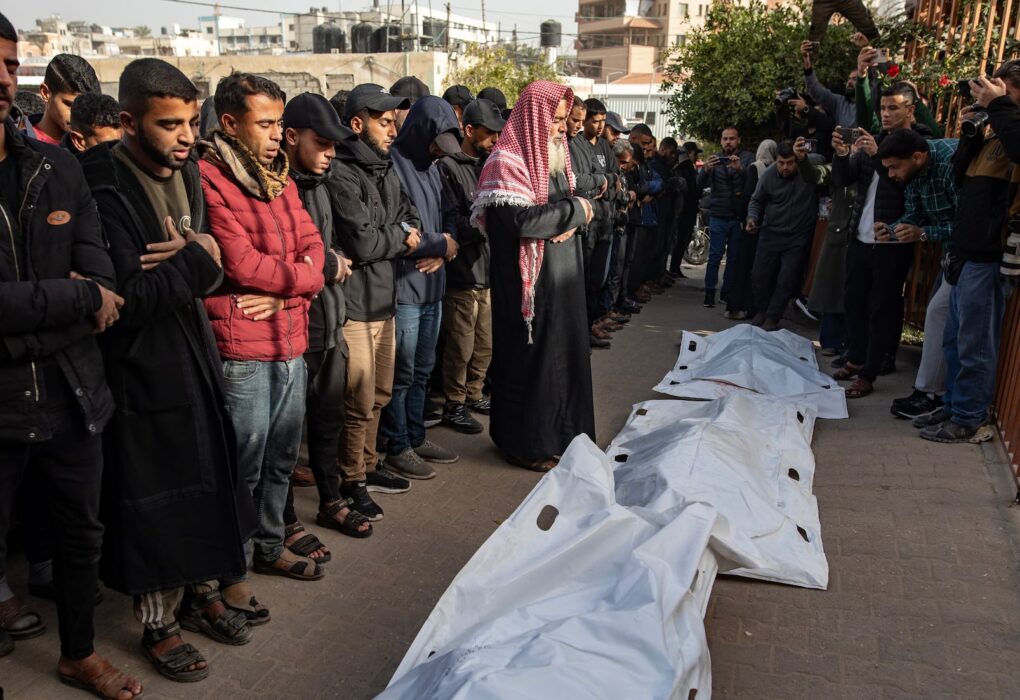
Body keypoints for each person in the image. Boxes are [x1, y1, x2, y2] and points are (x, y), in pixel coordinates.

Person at [80, 57, 257, 681]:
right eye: (169, 124)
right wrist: (198, 258)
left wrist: (197, 258)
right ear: (129, 122)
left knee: (207, 483)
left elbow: (213, 265)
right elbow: (127, 300)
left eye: (191, 122)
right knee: (156, 501)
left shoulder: (190, 173)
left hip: (195, 354)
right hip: (140, 370)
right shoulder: (101, 187)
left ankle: (202, 595)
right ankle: (159, 624)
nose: (186, 137)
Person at [0, 12, 141, 696]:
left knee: (81, 532)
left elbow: (105, 275)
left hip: (72, 390)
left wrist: (70, 299)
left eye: (9, 64)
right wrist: (76, 299)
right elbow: (86, 294)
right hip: (3, 400)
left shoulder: (54, 166)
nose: (4, 79)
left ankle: (78, 653)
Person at [200, 72, 326, 583]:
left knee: (281, 461)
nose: (278, 135)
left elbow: (315, 247)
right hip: (244, 348)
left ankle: (271, 546)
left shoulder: (281, 179)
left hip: (291, 339)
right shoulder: (210, 178)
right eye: (266, 124)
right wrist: (304, 280)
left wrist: (291, 291)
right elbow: (242, 265)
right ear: (230, 123)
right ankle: (234, 567)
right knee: (244, 467)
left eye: (279, 123)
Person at [472, 80, 595, 471]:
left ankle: (564, 438)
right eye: (555, 120)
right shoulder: (505, 163)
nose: (562, 128)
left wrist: (572, 214)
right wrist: (574, 212)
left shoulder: (556, 160)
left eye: (563, 120)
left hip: (562, 283)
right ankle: (527, 445)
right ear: (534, 118)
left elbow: (570, 207)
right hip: (527, 289)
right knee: (533, 365)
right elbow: (523, 221)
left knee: (565, 359)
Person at [280, 92, 373, 548]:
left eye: (335, 144)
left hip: (331, 322)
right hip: (292, 332)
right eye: (322, 143)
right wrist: (326, 264)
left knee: (328, 420)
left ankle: (331, 499)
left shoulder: (322, 182)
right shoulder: (275, 186)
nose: (330, 153)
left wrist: (330, 259)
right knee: (285, 435)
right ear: (290, 137)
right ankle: (282, 520)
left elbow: (342, 241)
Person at [330, 83, 421, 520]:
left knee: (381, 393)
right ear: (356, 123)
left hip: (386, 298)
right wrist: (399, 236)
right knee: (359, 401)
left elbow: (412, 219)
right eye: (384, 122)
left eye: (392, 122)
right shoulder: (340, 172)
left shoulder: (386, 167)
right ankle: (351, 480)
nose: (392, 131)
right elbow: (362, 243)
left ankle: (368, 464)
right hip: (355, 306)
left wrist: (396, 233)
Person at [917, 68, 1020, 442]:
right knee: (955, 339)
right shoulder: (996, 133)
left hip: (989, 255)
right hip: (966, 251)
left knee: (975, 344)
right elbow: (959, 176)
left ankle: (969, 417)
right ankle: (954, 406)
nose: (990, 93)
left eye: (1003, 89)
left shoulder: (1012, 131)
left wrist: (999, 107)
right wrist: (971, 131)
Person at [831, 82, 932, 399]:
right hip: (860, 235)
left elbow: (905, 188)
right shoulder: (873, 139)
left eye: (893, 108)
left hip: (892, 241)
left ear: (910, 110)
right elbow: (843, 180)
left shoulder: (919, 144)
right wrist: (841, 154)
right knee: (853, 300)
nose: (886, 114)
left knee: (881, 308)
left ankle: (869, 372)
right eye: (883, 108)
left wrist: (877, 155)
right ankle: (856, 356)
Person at [383, 95, 461, 479]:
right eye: (435, 143)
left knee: (423, 369)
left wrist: (447, 248)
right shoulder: (392, 164)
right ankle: (397, 444)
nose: (438, 151)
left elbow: (452, 216)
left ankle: (416, 435)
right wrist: (440, 245)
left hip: (433, 287)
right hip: (405, 289)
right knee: (401, 373)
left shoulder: (434, 168)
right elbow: (399, 229)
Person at [438, 98, 504, 434]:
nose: (495, 139)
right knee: (460, 348)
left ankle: (474, 394)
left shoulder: (491, 165)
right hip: (461, 276)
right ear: (468, 130)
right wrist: (487, 224)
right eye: (489, 132)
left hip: (487, 273)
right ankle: (453, 404)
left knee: (484, 345)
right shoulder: (448, 166)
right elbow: (454, 222)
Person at [746, 139, 822, 330]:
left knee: (787, 278)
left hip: (797, 235)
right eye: (781, 162)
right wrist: (752, 218)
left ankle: (773, 316)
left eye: (790, 163)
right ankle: (762, 310)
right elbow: (756, 200)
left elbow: (824, 168)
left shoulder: (808, 170)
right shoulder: (769, 175)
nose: (785, 167)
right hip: (770, 232)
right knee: (759, 275)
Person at [697, 126, 754, 308]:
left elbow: (753, 185)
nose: (728, 142)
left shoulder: (747, 158)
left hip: (737, 216)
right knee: (715, 256)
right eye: (725, 139)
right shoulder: (714, 159)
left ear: (738, 140)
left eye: (732, 138)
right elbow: (699, 184)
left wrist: (741, 170)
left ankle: (727, 293)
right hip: (718, 214)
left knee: (734, 258)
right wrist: (706, 169)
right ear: (721, 141)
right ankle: (709, 292)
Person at [727, 139, 778, 320]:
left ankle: (738, 305)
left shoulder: (755, 168)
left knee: (744, 264)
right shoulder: (776, 170)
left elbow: (748, 195)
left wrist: (744, 218)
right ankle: (755, 307)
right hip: (768, 225)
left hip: (751, 224)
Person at [31, 54, 101, 146]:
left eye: (87, 108)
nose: (79, 115)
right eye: (70, 105)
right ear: (45, 93)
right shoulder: (20, 145)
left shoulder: (97, 144)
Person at [800, 39, 858, 129]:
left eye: (855, 79)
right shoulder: (839, 102)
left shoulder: (870, 101)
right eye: (849, 79)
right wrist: (806, 60)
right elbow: (816, 91)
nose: (849, 82)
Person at [807, 0, 879, 44]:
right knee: (814, 37)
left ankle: (882, 59)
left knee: (869, 29)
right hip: (822, 2)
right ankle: (809, 63)